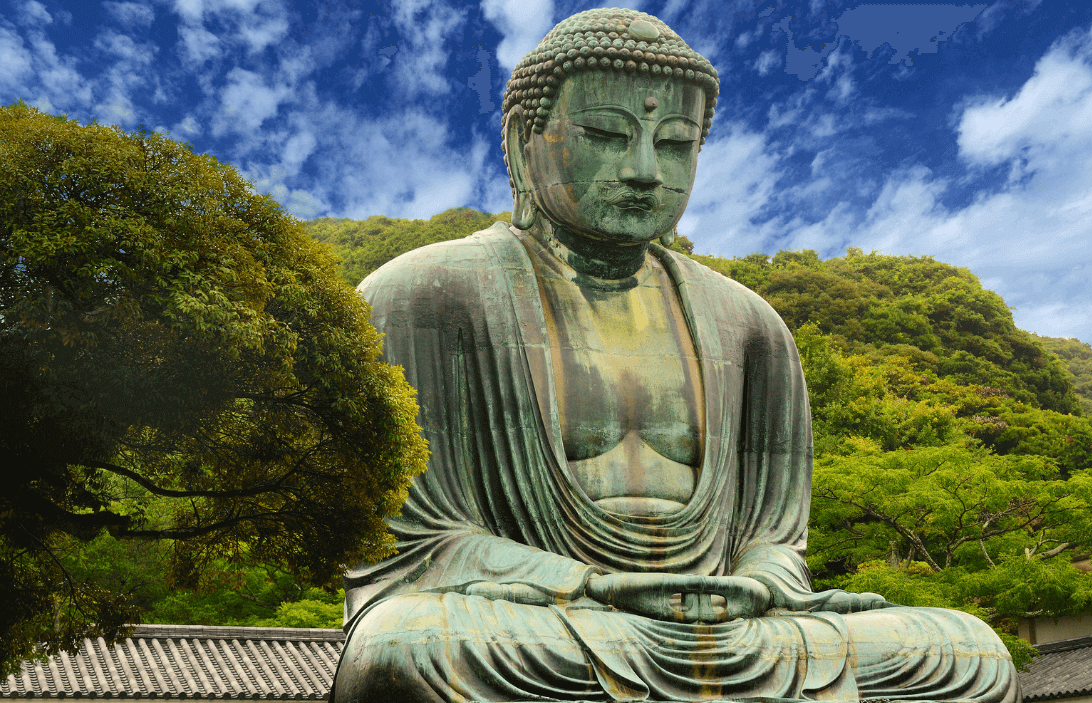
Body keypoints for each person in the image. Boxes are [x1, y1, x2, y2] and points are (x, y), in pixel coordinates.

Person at [332, 8, 1019, 702]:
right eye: (605, 134)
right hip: (545, 622)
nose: (642, 171)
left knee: (970, 652)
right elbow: (412, 548)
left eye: (674, 144)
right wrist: (591, 583)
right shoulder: (423, 295)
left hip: (729, 632)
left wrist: (754, 587)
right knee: (408, 646)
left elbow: (775, 542)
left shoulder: (749, 324)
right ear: (521, 142)